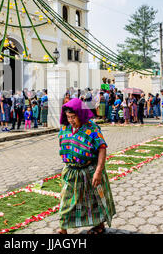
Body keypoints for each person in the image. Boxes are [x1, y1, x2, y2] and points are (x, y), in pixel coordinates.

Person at [56, 98, 116, 234]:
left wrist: (98, 171)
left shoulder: (91, 128)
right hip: (71, 171)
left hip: (89, 171)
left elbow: (102, 148)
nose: (71, 120)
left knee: (95, 200)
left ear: (81, 115)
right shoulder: (65, 127)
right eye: (68, 117)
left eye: (73, 117)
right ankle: (63, 228)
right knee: (66, 199)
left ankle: (99, 225)